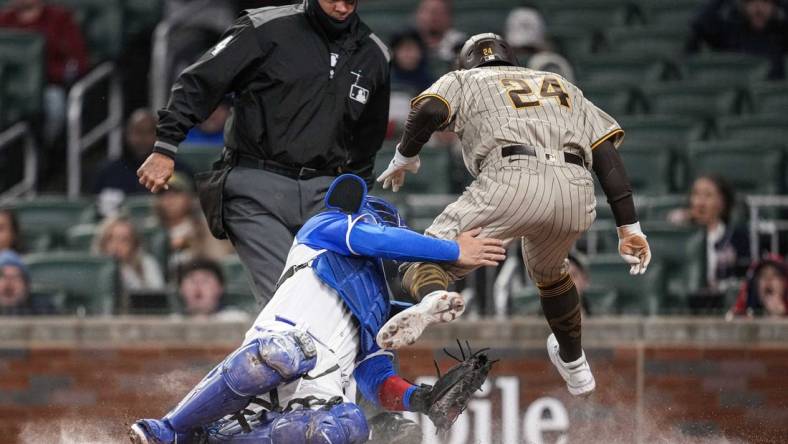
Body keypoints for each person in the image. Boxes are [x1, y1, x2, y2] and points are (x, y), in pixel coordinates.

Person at [375, 33, 653, 398]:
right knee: (551, 272)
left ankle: (431, 297)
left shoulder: (464, 78)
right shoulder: (560, 84)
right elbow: (606, 157)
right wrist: (629, 227)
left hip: (512, 177)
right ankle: (574, 363)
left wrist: (404, 156)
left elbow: (427, 111)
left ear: (467, 62)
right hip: (576, 190)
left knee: (423, 255)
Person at [129, 174, 503, 444]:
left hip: (317, 393)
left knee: (350, 423)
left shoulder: (380, 311)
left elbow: (374, 378)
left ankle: (214, 441)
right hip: (272, 356)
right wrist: (452, 250)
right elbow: (370, 238)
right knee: (285, 354)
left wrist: (417, 399)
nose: (368, 221)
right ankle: (169, 430)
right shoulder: (323, 228)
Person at [137, 0, 392, 309]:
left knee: (333, 303)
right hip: (255, 183)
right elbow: (200, 81)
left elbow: (369, 136)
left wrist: (357, 189)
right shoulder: (265, 27)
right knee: (285, 297)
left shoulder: (374, 53)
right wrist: (166, 145)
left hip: (324, 191)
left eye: (350, 0)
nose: (342, 7)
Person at [0, 0, 90, 145]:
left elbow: (78, 62)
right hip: (9, 89)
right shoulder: (3, 19)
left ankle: (43, 151)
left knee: (54, 104)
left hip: (49, 86)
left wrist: (50, 74)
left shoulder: (60, 18)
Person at [94, 109, 194, 217]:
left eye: (149, 132)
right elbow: (94, 206)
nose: (142, 139)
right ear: (126, 134)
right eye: (137, 132)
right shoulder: (109, 171)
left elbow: (193, 205)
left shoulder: (178, 168)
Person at [668, 174, 750, 295]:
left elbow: (745, 277)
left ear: (723, 202)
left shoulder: (737, 238)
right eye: (696, 195)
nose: (700, 203)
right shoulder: (679, 235)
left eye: (708, 195)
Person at [688, 0, 788, 79]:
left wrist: (782, 4)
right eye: (751, 2)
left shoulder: (781, 33)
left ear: (775, 7)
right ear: (742, 6)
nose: (758, 9)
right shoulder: (729, 32)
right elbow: (700, 23)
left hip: (768, 96)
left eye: (765, 2)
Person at [151, 173, 234, 267]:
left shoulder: (206, 227)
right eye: (163, 194)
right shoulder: (153, 232)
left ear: (189, 197)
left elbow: (220, 260)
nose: (169, 199)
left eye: (176, 193)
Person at [92, 216, 165, 293]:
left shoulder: (147, 263)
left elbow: (158, 297)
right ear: (103, 242)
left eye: (124, 240)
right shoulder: (91, 269)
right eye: (111, 239)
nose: (116, 245)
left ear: (134, 245)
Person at [504, 7, 575, 82]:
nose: (524, 57)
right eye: (518, 50)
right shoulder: (496, 65)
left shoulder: (554, 64)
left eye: (530, 50)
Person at [176, 258, 248, 320]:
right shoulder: (173, 320)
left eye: (205, 280)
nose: (198, 285)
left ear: (220, 287)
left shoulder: (236, 319)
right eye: (192, 280)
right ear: (181, 288)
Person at [0, 250, 56, 315]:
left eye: (15, 277)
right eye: (3, 276)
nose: (8, 282)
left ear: (26, 285)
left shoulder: (43, 308)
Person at [414, 0, 467, 65]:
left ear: (449, 16)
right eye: (427, 11)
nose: (432, 17)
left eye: (438, 12)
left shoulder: (459, 43)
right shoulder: (410, 41)